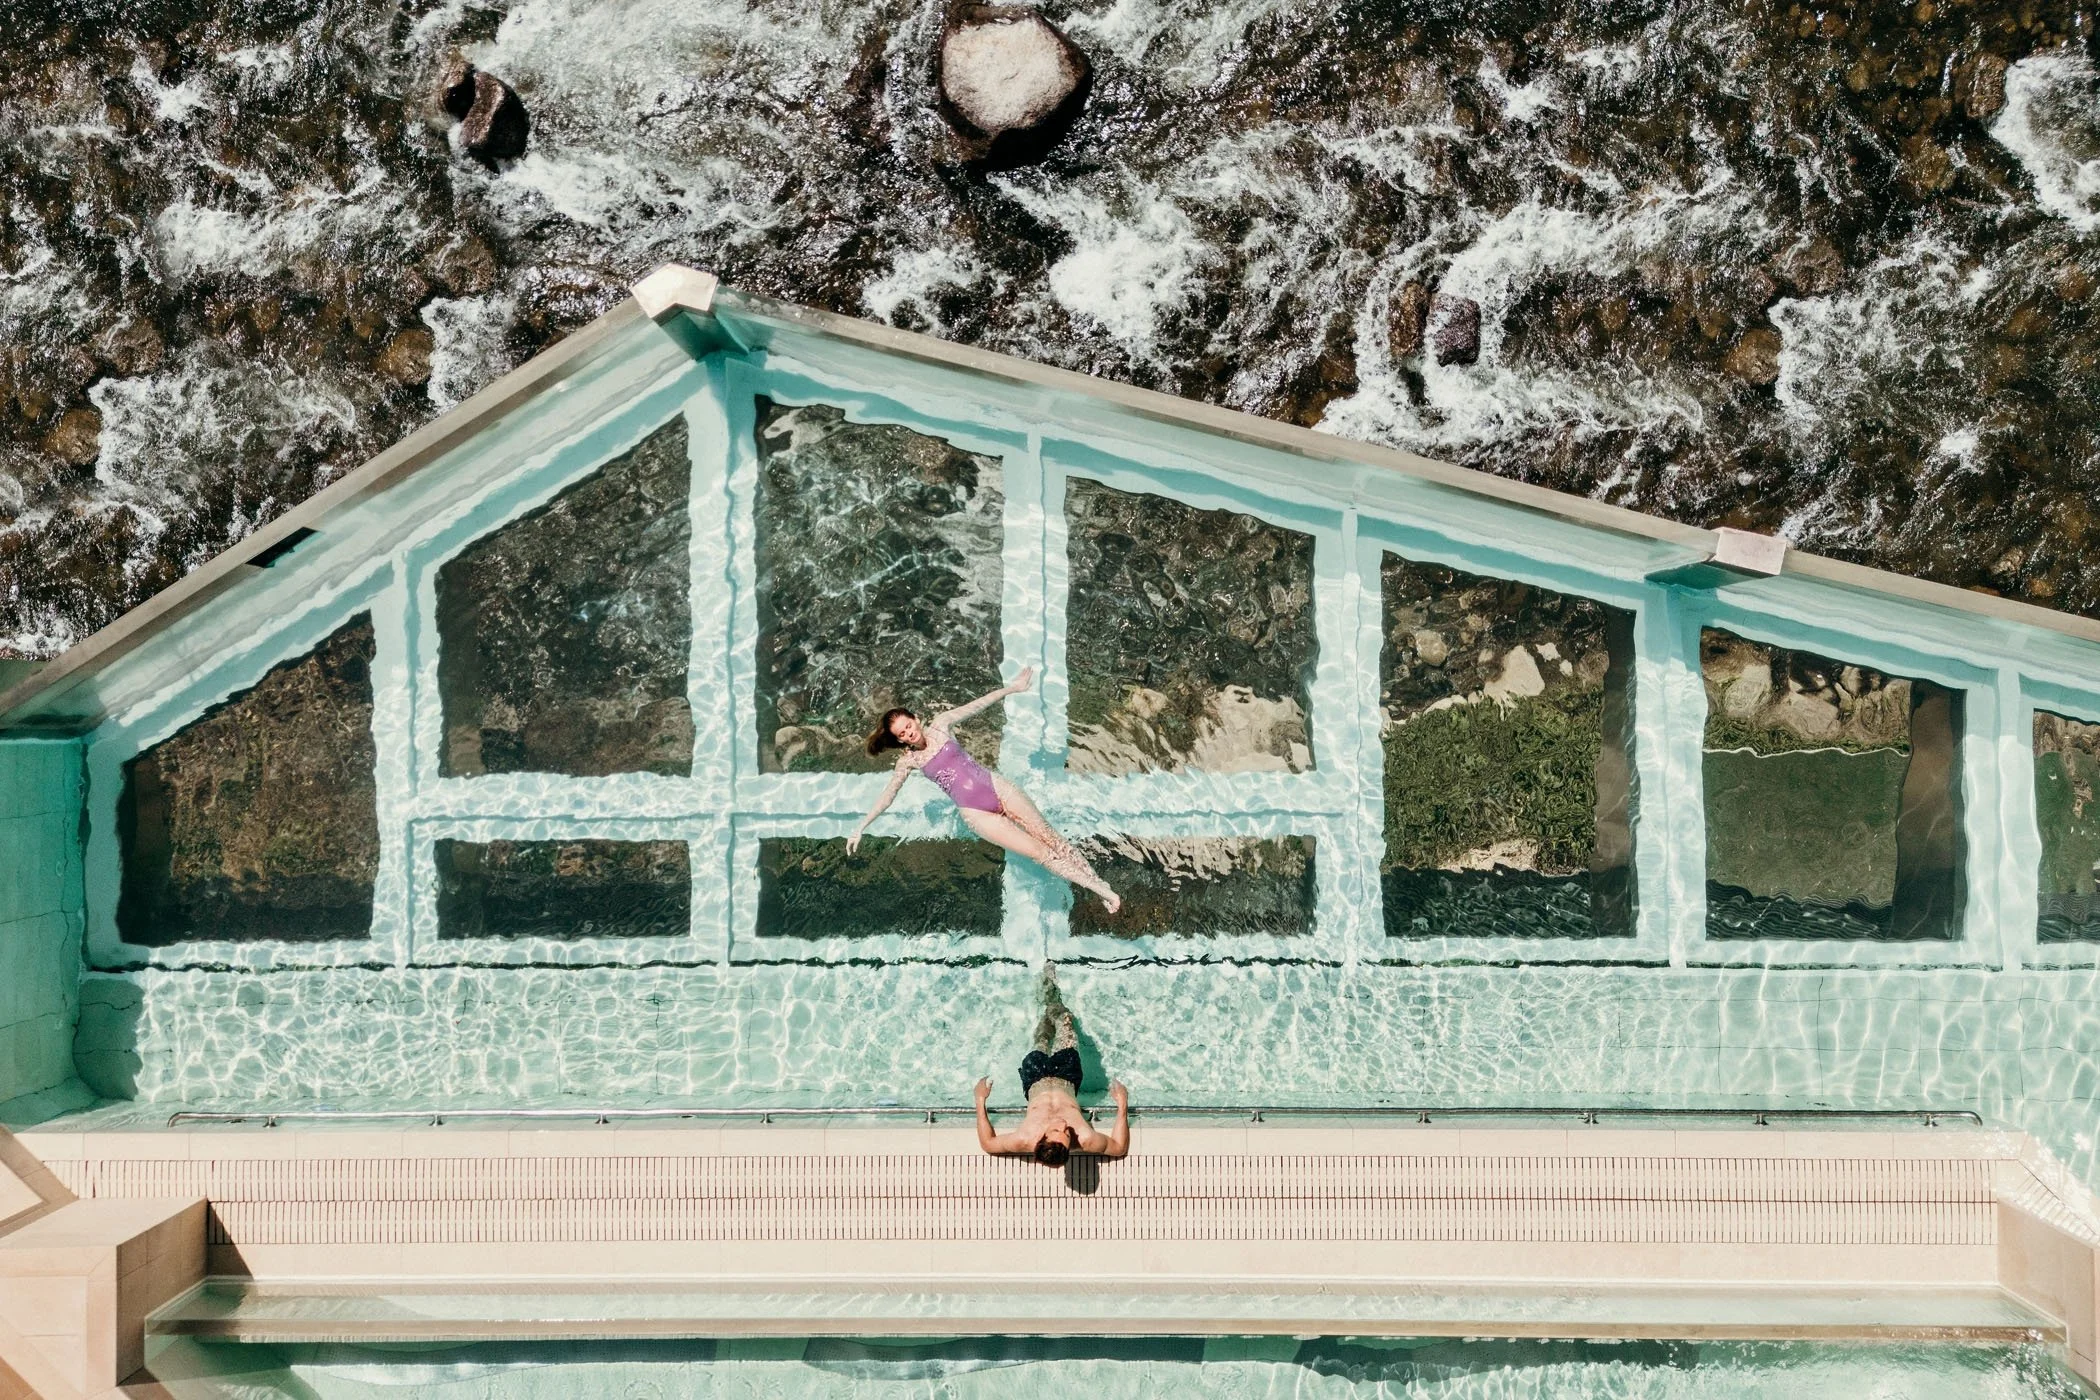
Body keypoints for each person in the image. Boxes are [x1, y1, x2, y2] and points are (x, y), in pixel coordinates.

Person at [848, 666, 1120, 913]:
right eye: (902, 734)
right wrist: (862, 825)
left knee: (1051, 837)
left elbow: (977, 705)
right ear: (899, 740)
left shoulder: (941, 725)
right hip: (977, 814)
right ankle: (1101, 891)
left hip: (997, 787)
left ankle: (1097, 882)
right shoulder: (908, 762)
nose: (909, 733)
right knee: (1041, 853)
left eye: (908, 726)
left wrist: (1012, 688)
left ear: (916, 719)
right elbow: (888, 796)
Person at [974, 965, 1129, 1167]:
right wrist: (1122, 1104)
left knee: (1042, 1035)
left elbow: (988, 1144)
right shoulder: (1085, 1138)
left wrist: (980, 1099)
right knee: (1065, 1021)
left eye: (1057, 1131)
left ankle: (1046, 990)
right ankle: (1054, 998)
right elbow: (1119, 1147)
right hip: (1067, 1074)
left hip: (1034, 1076)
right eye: (1067, 1135)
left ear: (1041, 1138)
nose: (1065, 1126)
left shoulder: (1023, 1138)